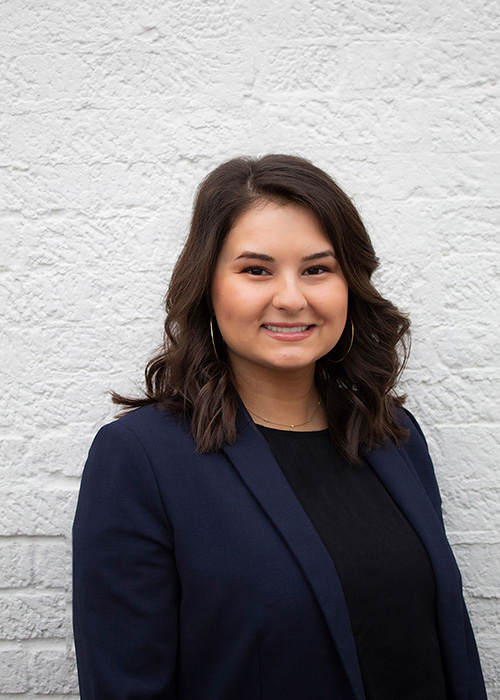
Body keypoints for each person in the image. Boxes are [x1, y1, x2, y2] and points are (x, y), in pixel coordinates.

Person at [72, 154, 487, 700]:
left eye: (317, 269)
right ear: (208, 285)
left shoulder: (393, 436)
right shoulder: (141, 459)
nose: (292, 298)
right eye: (256, 270)